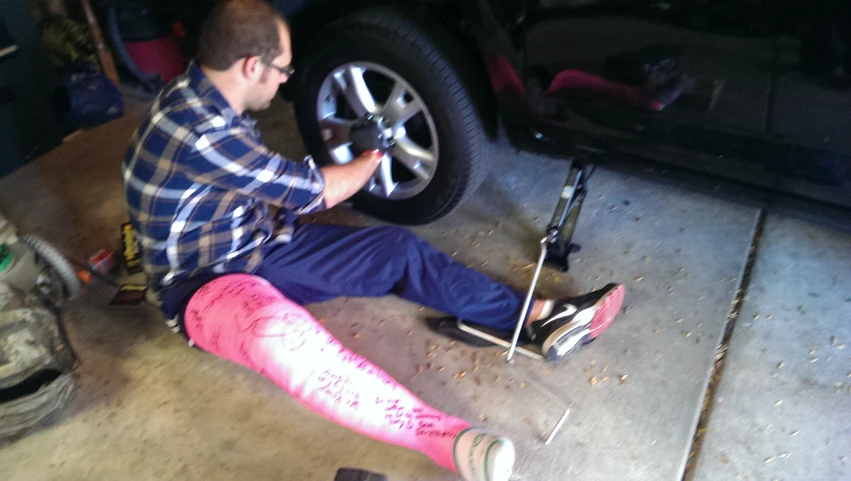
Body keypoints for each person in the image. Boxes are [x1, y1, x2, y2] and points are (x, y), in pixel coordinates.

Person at [122, 0, 624, 478]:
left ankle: (538, 319)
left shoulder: (190, 94)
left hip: (257, 244)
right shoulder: (203, 133)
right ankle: (446, 439)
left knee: (397, 251)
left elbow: (266, 182)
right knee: (278, 335)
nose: (284, 82)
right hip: (203, 286)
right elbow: (316, 192)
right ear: (253, 66)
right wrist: (371, 158)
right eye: (283, 71)